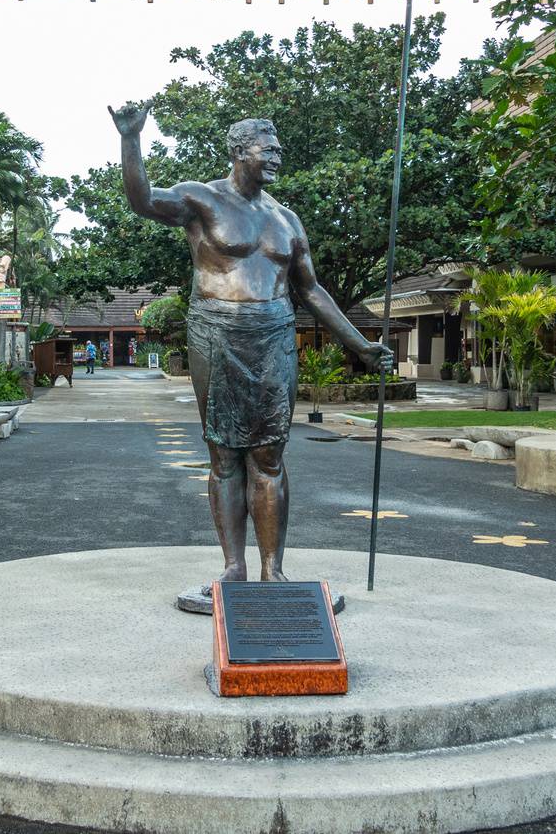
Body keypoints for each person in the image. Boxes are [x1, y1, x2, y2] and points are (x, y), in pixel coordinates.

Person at [111, 105, 393, 598]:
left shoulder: (286, 219)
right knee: (224, 456)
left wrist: (360, 345)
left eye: (280, 148)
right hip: (217, 333)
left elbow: (312, 291)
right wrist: (131, 140)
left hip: (274, 335)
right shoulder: (200, 200)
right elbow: (141, 201)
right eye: (270, 148)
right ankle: (232, 567)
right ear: (241, 152)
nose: (278, 156)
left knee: (269, 456)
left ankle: (273, 568)